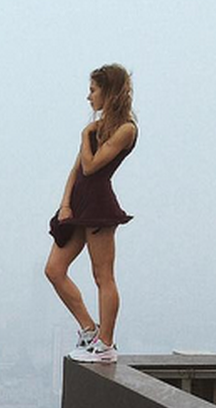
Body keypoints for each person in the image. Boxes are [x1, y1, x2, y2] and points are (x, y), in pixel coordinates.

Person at [45, 64, 137, 363]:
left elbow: (91, 166)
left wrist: (86, 134)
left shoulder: (126, 129)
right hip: (78, 204)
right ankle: (89, 329)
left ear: (108, 92)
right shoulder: (98, 128)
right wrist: (65, 204)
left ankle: (106, 344)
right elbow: (76, 170)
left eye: (93, 90)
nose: (89, 97)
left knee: (102, 276)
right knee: (54, 270)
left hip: (99, 206)